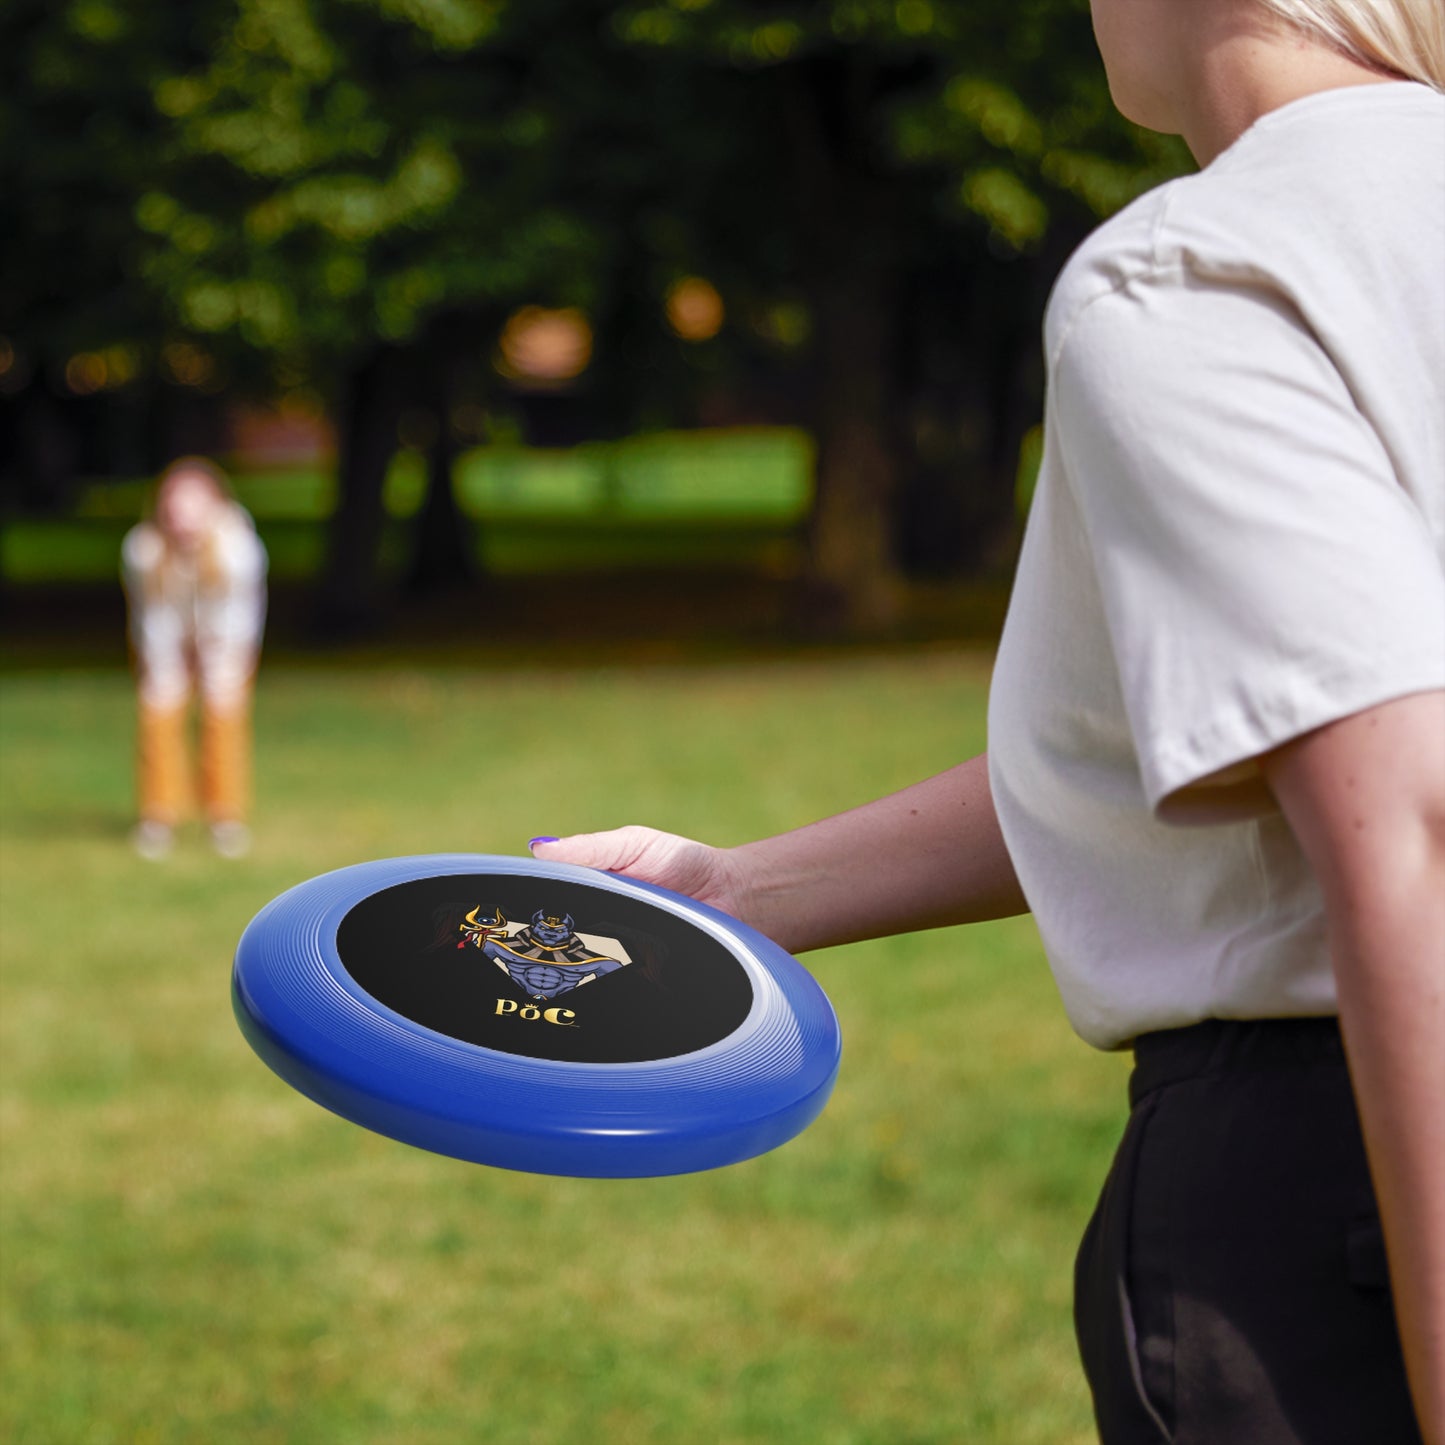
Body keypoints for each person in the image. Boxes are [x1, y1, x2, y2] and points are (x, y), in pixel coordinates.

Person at [528, 2, 1445, 1440]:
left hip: (1342, 1190)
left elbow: (1409, 822)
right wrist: (740, 890)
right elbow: (1219, 740)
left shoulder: (1204, 269)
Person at [121, 457, 268, 860]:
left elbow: (239, 616)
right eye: (174, 506)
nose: (182, 517)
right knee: (158, 712)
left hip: (226, 641)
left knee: (223, 717)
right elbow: (152, 616)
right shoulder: (143, 549)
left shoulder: (239, 549)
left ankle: (225, 817)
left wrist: (214, 658)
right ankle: (158, 816)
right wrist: (168, 664)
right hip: (165, 640)